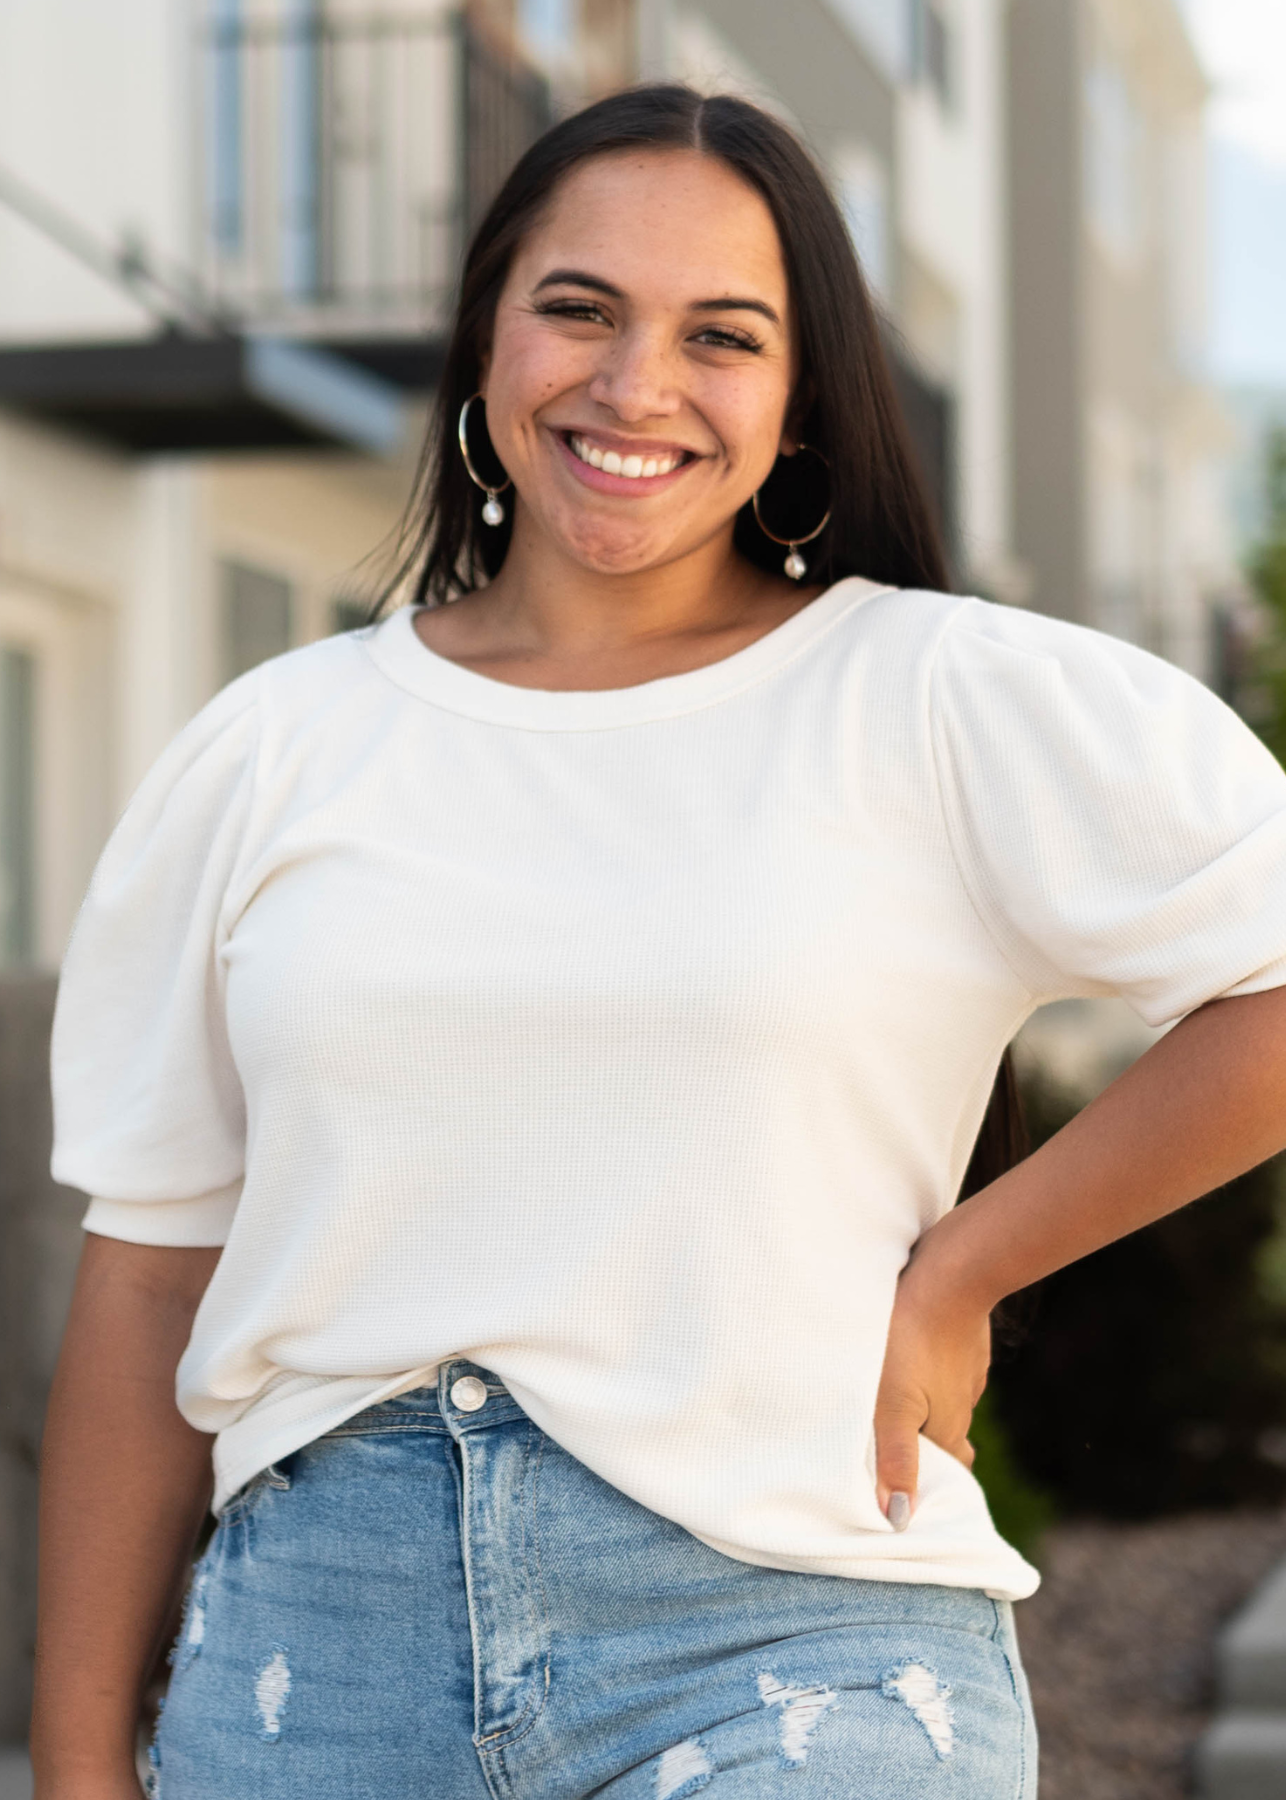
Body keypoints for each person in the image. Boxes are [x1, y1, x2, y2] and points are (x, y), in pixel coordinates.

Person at [31, 85, 1286, 1800]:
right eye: (578, 308)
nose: (635, 386)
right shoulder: (277, 748)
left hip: (790, 1640)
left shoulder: (930, 696)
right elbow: (151, 1277)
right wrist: (85, 1758)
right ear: (486, 335)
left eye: (723, 334)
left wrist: (970, 1266)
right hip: (310, 1667)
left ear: (799, 399)